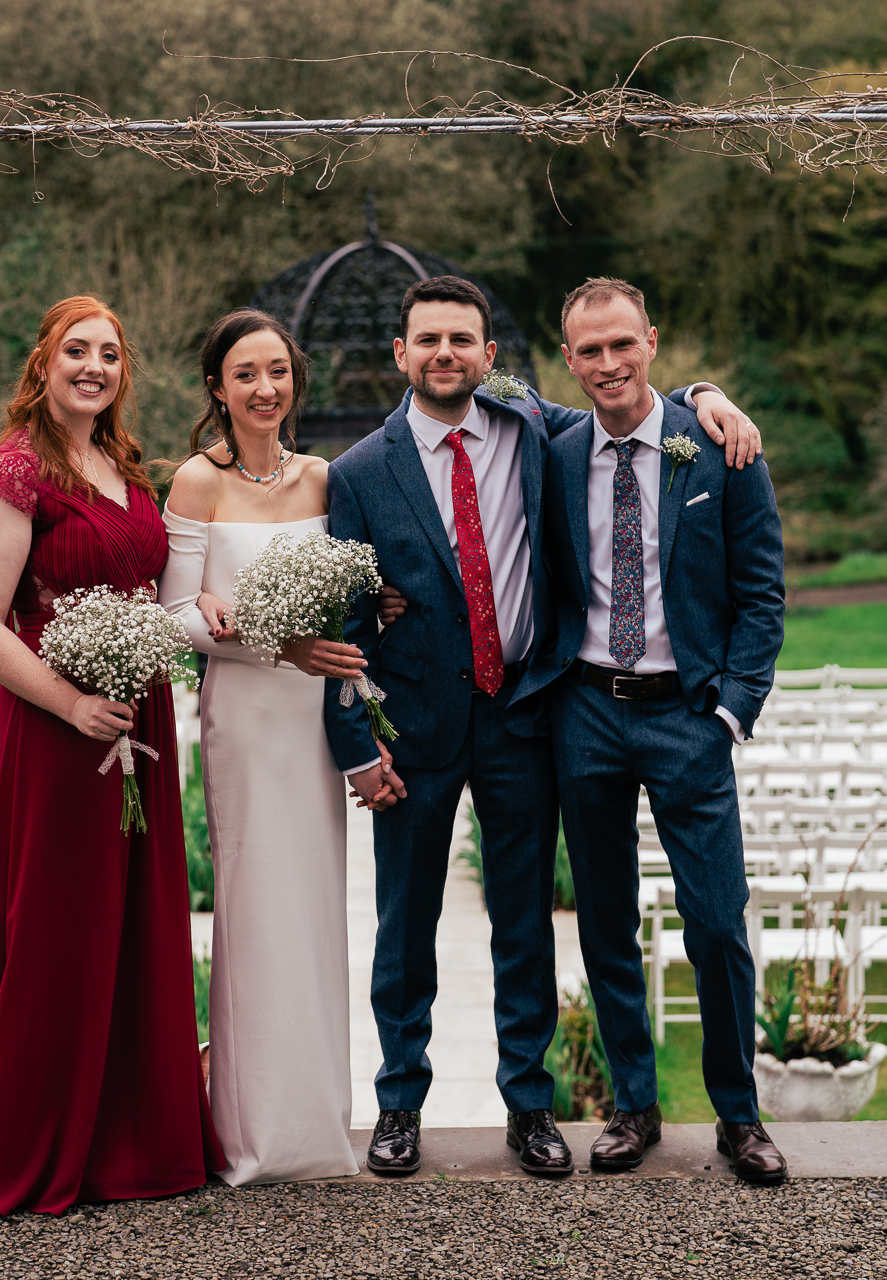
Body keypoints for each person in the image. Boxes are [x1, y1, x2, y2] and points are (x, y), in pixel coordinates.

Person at [322, 275, 761, 1178]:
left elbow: (635, 405)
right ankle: (398, 1101)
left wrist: (704, 397)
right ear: (400, 355)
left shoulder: (537, 436)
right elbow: (344, 618)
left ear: (492, 359)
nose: (446, 353)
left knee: (527, 922)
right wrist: (356, 744)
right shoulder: (359, 473)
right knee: (407, 923)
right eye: (428, 340)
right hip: (420, 727)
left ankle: (531, 1105)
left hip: (526, 715)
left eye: (464, 340)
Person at [0, 296, 223, 1216]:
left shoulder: (121, 463)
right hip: (57, 732)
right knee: (57, 929)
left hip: (140, 719)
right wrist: (73, 703)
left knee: (133, 926)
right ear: (43, 362)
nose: (94, 366)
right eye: (76, 350)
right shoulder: (14, 471)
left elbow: (150, 586)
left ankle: (128, 1140)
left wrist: (193, 621)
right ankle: (39, 1143)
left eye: (110, 353)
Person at [527, 277, 788, 1183]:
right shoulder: (553, 449)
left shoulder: (715, 452)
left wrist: (730, 711)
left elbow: (762, 596)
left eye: (622, 345)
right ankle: (633, 1106)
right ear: (568, 360)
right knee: (604, 922)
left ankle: (739, 1115)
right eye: (589, 351)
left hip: (689, 714)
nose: (608, 364)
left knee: (717, 923)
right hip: (587, 713)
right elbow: (471, 383)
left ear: (651, 342)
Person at [158, 309, 377, 1185]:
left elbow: (360, 583)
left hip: (313, 716)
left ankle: (318, 1124)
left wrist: (377, 609)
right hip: (246, 715)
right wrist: (259, 640)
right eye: (245, 373)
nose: (264, 388)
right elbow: (175, 612)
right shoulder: (195, 482)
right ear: (217, 387)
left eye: (278, 371)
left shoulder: (327, 479)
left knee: (317, 908)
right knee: (254, 907)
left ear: (296, 380)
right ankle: (249, 1131)